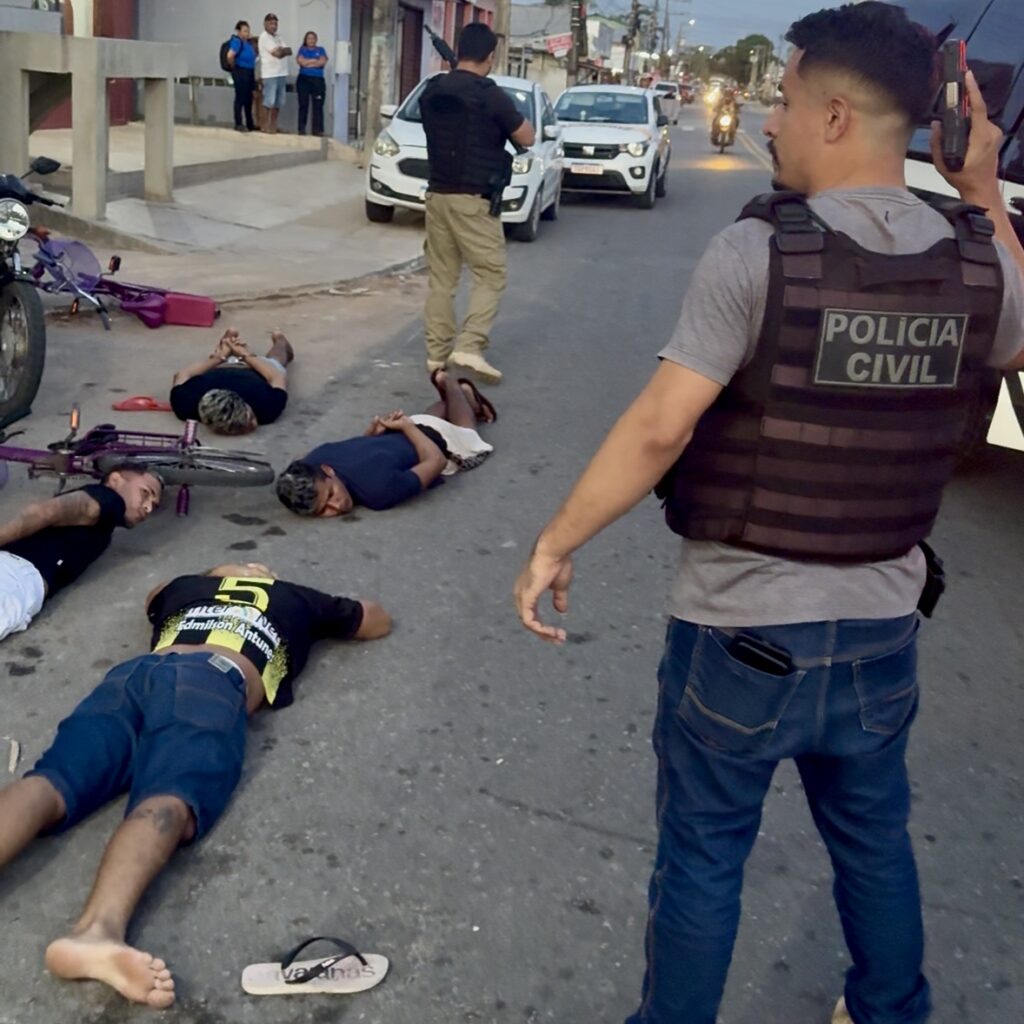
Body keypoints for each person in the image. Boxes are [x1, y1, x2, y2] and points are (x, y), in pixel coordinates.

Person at [513, 4, 1024, 1024]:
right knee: (874, 846)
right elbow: (1016, 340)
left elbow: (661, 427)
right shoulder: (979, 259)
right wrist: (980, 190)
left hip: (740, 633)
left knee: (703, 857)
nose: (771, 121)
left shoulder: (762, 252)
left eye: (784, 101)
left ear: (835, 118)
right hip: (881, 630)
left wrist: (554, 543)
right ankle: (891, 1011)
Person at [0, 561, 391, 1007]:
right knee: (171, 794)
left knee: (51, 782)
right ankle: (94, 932)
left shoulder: (183, 589)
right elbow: (374, 620)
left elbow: (154, 596)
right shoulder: (295, 598)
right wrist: (316, 612)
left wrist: (209, 576)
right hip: (211, 679)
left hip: (133, 674)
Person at [419, 22, 536, 385]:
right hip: (473, 199)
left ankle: (436, 356)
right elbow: (527, 137)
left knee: (442, 280)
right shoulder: (490, 94)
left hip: (437, 195)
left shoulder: (432, 90)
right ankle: (469, 345)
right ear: (490, 56)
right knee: (491, 273)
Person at [276, 369, 496, 516]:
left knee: (470, 443)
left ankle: (453, 385)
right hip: (397, 433)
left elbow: (436, 461)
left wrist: (408, 428)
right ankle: (457, 397)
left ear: (327, 470)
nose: (338, 506)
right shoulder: (313, 459)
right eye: (324, 511)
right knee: (426, 421)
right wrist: (375, 435)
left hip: (435, 442)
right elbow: (357, 452)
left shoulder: (378, 493)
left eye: (331, 495)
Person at [0, 463, 162, 642]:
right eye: (144, 493)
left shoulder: (103, 518)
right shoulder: (108, 499)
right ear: (116, 480)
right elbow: (42, 512)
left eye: (154, 505)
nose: (148, 508)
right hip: (15, 576)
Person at [170, 328, 293, 435]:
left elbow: (182, 374)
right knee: (276, 361)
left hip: (222, 368)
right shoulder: (266, 408)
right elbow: (276, 376)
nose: (254, 424)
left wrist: (219, 358)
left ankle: (228, 345)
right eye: (251, 419)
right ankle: (232, 343)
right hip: (252, 371)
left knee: (216, 358)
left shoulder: (186, 404)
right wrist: (246, 355)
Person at [258, 12, 292, 134]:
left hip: (281, 73)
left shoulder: (278, 37)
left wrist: (282, 51)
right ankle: (264, 125)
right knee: (268, 101)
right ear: (265, 24)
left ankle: (273, 125)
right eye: (271, 23)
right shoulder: (264, 37)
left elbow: (289, 50)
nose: (273, 26)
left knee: (278, 102)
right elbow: (277, 54)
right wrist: (282, 51)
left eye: (275, 23)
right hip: (270, 74)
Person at [226, 20, 257, 132]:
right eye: (244, 31)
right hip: (241, 71)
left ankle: (250, 123)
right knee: (240, 97)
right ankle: (238, 123)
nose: (247, 33)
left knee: (249, 98)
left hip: (249, 71)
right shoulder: (237, 42)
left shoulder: (248, 43)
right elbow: (230, 55)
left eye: (248, 31)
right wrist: (234, 66)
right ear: (239, 32)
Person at [295, 30, 328, 136]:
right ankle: (301, 129)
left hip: (318, 80)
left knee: (318, 105)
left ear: (316, 40)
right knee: (303, 104)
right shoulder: (302, 49)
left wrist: (308, 62)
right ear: (305, 40)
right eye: (309, 38)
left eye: (313, 38)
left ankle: (318, 130)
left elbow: (322, 62)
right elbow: (301, 62)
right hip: (304, 79)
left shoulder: (321, 50)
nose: (311, 40)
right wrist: (314, 61)